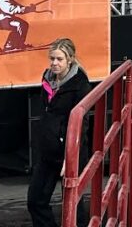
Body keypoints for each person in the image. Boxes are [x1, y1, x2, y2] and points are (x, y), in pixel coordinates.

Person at [28, 37, 91, 227]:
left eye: (59, 59)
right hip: (48, 150)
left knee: (73, 206)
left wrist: (69, 157)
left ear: (70, 59)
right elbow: (46, 113)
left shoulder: (80, 85)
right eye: (52, 58)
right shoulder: (47, 78)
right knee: (35, 201)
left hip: (71, 152)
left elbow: (82, 123)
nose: (54, 63)